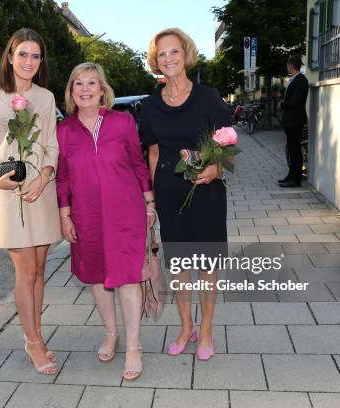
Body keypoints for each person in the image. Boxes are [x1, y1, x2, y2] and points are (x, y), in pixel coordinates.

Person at [0, 28, 61, 375]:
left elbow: (51, 144)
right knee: (25, 271)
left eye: (35, 56)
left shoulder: (46, 97)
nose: (29, 62)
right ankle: (34, 342)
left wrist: (44, 176)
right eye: (22, 54)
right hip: (9, 195)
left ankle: (34, 334)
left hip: (41, 190)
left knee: (39, 270)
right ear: (9, 56)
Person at [56, 62, 155, 381]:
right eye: (78, 84)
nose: (85, 89)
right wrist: (64, 214)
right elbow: (63, 177)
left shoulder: (123, 122)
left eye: (92, 83)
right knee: (98, 277)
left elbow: (139, 165)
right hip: (88, 216)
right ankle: (111, 333)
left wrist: (149, 202)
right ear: (71, 91)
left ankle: (134, 347)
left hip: (126, 212)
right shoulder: (64, 131)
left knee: (128, 278)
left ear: (102, 90)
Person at [140, 28, 231, 361]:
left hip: (206, 192)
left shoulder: (208, 97)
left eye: (174, 52)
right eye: (161, 54)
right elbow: (152, 153)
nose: (168, 59)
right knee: (178, 264)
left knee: (206, 264)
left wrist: (215, 169)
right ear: (156, 60)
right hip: (169, 193)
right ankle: (185, 326)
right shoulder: (149, 106)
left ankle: (206, 329)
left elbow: (228, 143)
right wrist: (151, 200)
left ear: (186, 54)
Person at [277, 55, 309, 188]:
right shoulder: (294, 79)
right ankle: (291, 175)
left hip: (295, 120)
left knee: (295, 150)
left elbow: (295, 102)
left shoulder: (301, 80)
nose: (287, 66)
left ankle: (296, 179)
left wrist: (282, 104)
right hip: (291, 121)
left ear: (291, 65)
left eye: (287, 64)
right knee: (291, 149)